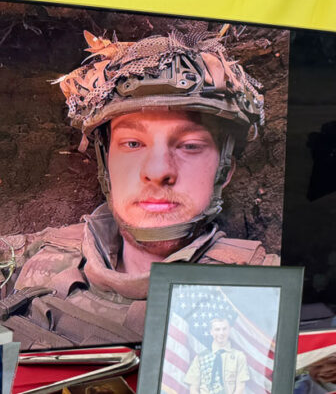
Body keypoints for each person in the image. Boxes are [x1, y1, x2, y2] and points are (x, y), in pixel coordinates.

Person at [0, 28, 278, 349]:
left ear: (225, 170)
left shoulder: (266, 288)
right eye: (133, 143)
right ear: (106, 165)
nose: (158, 171)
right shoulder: (23, 260)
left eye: (189, 145)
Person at [184, 316, 249, 394]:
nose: (221, 333)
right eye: (217, 329)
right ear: (211, 332)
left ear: (229, 330)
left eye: (224, 329)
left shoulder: (239, 357)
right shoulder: (200, 358)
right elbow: (194, 388)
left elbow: (240, 387)